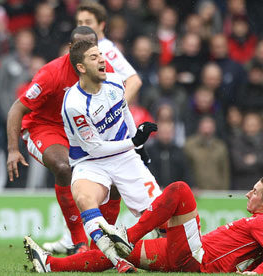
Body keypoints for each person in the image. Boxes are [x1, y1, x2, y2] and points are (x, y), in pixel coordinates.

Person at [25, 175, 263, 274]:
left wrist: (256, 274)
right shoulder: (258, 223)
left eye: (254, 192)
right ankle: (49, 265)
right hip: (185, 256)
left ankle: (130, 234)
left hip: (197, 258)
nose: (248, 194)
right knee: (117, 253)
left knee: (180, 190)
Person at [7, 26, 115, 256]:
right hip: (44, 128)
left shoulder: (106, 71)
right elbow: (17, 109)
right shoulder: (51, 73)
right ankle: (78, 242)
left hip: (79, 131)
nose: (87, 51)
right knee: (64, 167)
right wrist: (12, 150)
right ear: (70, 49)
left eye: (92, 47)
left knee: (115, 178)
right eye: (80, 47)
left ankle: (103, 242)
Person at [60, 39, 161, 272]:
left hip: (125, 157)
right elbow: (94, 148)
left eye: (101, 55)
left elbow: (124, 112)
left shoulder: (116, 82)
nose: (102, 60)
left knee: (161, 217)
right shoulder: (74, 104)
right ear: (81, 68)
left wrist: (138, 146)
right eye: (94, 57)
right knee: (84, 197)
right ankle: (117, 260)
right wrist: (133, 142)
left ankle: (170, 252)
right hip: (90, 162)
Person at [75, 1, 142, 103]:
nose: (83, 26)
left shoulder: (106, 50)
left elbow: (134, 80)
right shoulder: (83, 48)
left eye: (88, 22)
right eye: (80, 22)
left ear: (101, 25)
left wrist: (117, 110)